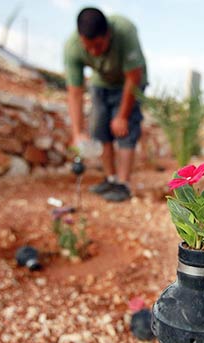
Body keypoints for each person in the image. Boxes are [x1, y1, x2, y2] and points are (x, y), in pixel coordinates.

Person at [64, 7, 148, 202]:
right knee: (99, 129)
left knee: (125, 130)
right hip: (101, 84)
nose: (94, 52)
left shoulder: (125, 31)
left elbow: (134, 76)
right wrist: (77, 132)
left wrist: (122, 116)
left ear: (108, 34)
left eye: (99, 45)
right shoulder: (72, 47)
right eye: (88, 47)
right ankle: (110, 179)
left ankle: (123, 184)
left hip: (130, 83)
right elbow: (75, 92)